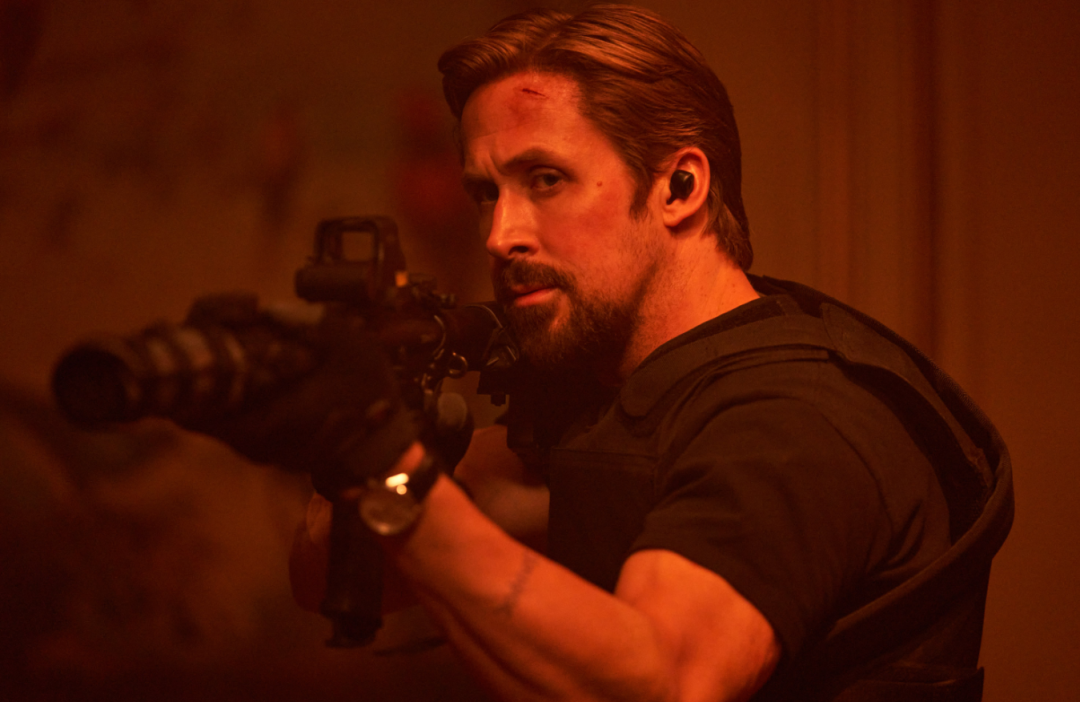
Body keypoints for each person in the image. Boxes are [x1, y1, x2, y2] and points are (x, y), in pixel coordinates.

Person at [287, 5, 1013, 701]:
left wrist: (399, 475)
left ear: (679, 186)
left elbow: (662, 684)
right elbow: (325, 576)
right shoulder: (617, 395)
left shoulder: (792, 421)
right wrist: (363, 443)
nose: (500, 235)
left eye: (546, 180)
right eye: (486, 192)